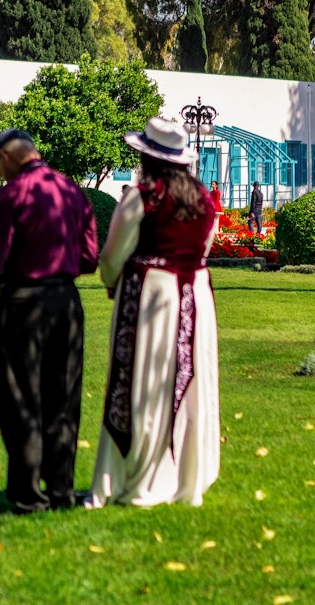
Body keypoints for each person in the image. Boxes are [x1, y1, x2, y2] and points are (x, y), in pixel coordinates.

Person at [87, 117, 219, 509]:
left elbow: (112, 255)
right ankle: (182, 477)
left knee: (140, 381)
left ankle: (134, 476)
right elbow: (204, 248)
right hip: (195, 293)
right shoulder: (203, 199)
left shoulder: (144, 195)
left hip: (150, 291)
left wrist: (113, 280)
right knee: (187, 381)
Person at [0, 128, 98, 514]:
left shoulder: (11, 194)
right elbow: (89, 256)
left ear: (5, 158)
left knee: (21, 397)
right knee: (63, 396)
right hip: (66, 301)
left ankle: (27, 491)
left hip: (23, 301)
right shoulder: (71, 191)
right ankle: (61, 489)